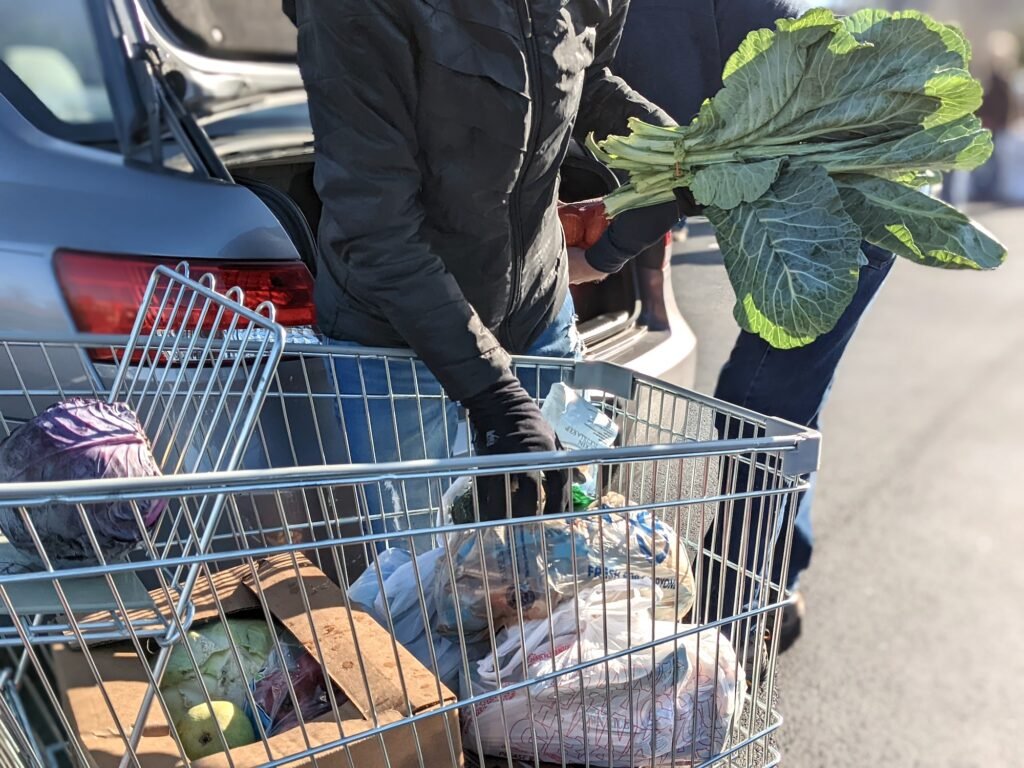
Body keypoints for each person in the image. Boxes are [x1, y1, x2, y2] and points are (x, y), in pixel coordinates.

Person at [285, 0, 693, 536]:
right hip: (399, 346)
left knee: (560, 568)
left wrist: (675, 151)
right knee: (428, 576)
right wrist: (493, 394)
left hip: (539, 318)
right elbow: (376, 229)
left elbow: (586, 81)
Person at [574, 0, 896, 649]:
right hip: (803, 193)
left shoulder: (639, 21)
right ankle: (776, 585)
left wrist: (597, 256)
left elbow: (678, 173)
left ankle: (727, 621)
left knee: (756, 408)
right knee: (786, 412)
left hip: (840, 207)